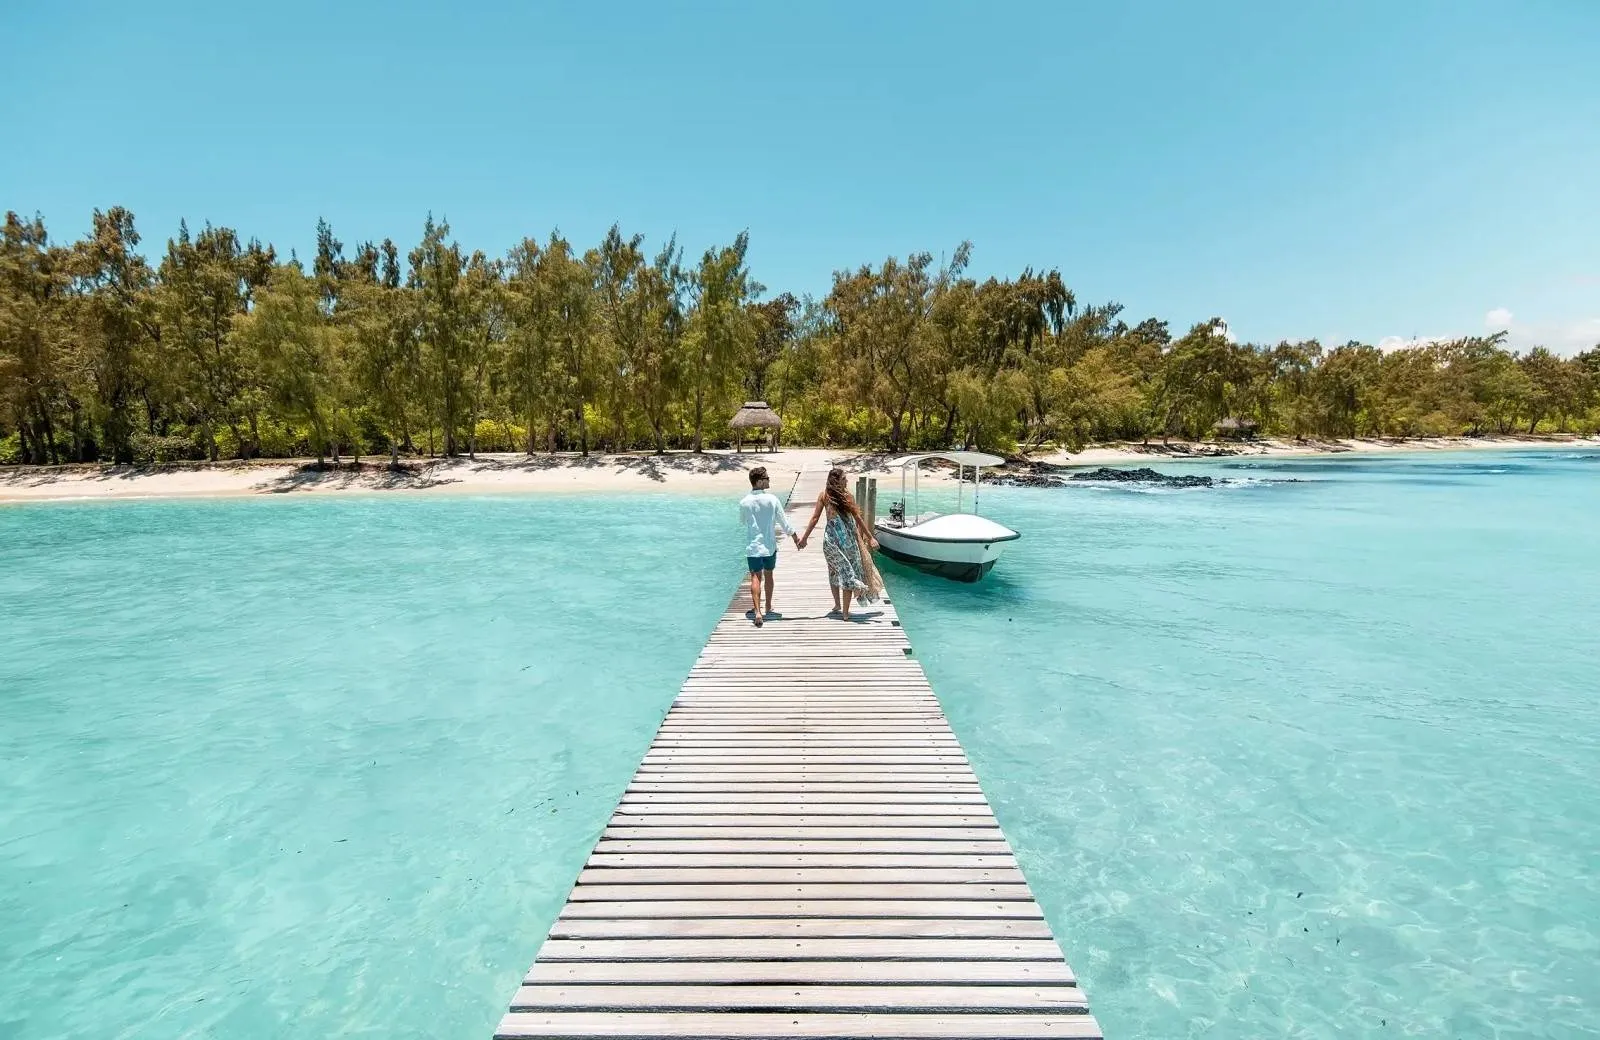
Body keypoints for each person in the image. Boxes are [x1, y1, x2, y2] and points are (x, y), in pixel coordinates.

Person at [799, 467, 884, 621]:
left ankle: (842, 609)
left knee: (839, 572)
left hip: (832, 540)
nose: (847, 481)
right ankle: (842, 609)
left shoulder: (826, 496)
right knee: (841, 572)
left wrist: (804, 538)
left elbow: (815, 518)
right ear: (836, 480)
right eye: (844, 478)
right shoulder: (842, 496)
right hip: (845, 542)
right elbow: (857, 518)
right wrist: (870, 537)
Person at [739, 466, 800, 627]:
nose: (769, 480)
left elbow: (743, 521)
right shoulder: (772, 500)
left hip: (753, 547)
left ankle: (757, 612)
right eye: (767, 478)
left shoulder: (744, 502)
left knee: (755, 577)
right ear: (759, 482)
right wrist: (795, 538)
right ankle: (768, 606)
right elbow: (784, 522)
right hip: (769, 547)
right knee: (769, 575)